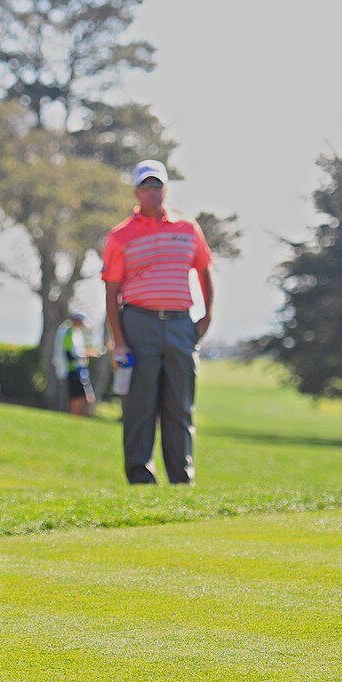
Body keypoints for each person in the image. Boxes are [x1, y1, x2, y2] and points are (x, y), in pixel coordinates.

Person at [102, 160, 214, 485]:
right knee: (140, 406)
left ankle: (182, 479)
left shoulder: (188, 228)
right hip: (139, 323)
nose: (154, 192)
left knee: (180, 406)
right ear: (137, 191)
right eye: (147, 186)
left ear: (166, 188)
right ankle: (141, 479)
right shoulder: (120, 236)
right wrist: (119, 340)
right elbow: (111, 291)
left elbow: (205, 271)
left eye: (158, 186)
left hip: (181, 324)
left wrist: (207, 317)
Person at [53, 310, 96, 416]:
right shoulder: (68, 333)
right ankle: (74, 418)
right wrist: (85, 355)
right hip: (71, 369)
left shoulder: (77, 333)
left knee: (87, 398)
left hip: (79, 369)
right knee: (78, 398)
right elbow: (69, 355)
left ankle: (79, 419)